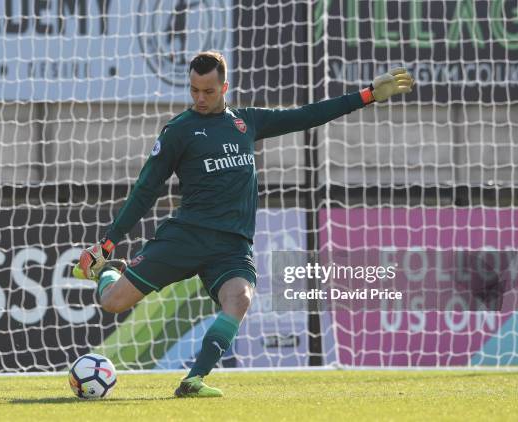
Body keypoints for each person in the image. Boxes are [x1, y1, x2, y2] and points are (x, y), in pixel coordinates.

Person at [74, 51, 414, 397]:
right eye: (194, 90)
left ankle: (193, 381)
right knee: (113, 302)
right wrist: (108, 242)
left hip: (232, 245)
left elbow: (307, 116)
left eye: (208, 91)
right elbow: (146, 188)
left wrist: (367, 95)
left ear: (225, 86)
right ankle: (106, 272)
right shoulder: (179, 130)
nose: (200, 98)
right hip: (186, 237)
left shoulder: (247, 121)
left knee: (240, 298)